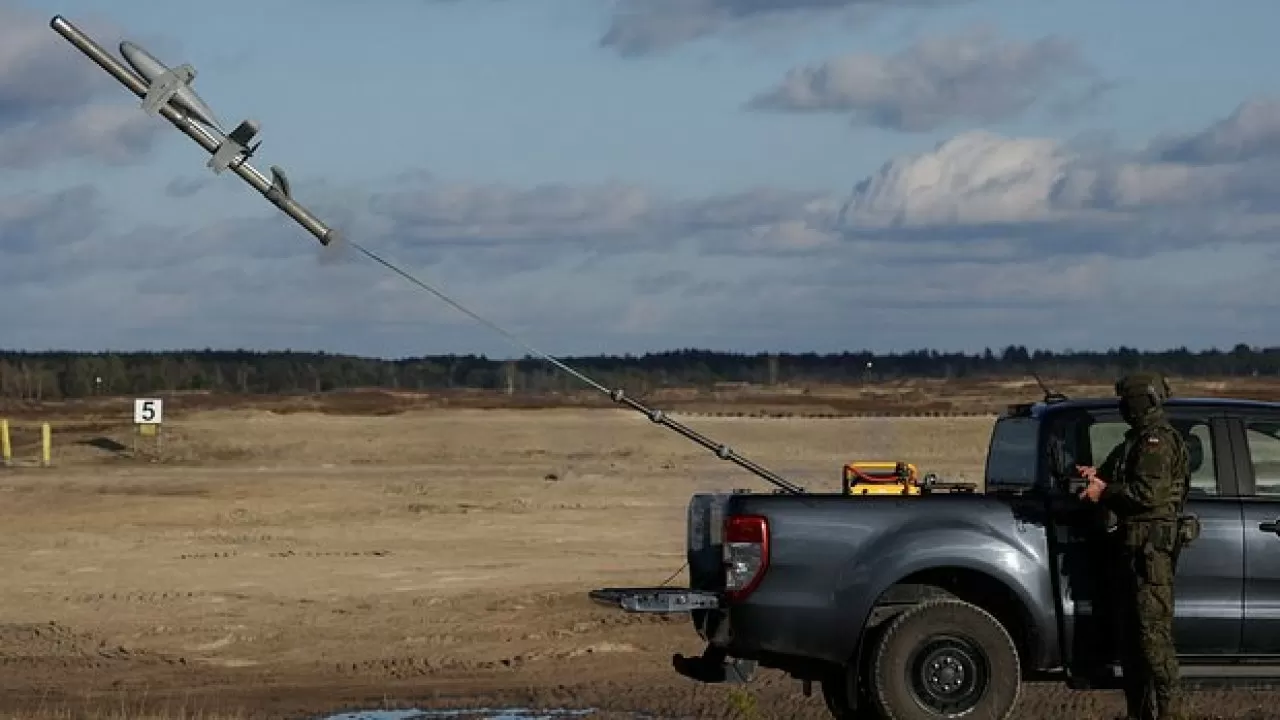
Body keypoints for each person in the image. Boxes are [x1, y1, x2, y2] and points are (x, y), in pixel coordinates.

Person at [1076, 372, 1189, 720]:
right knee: (1133, 647)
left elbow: (1148, 493)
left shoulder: (1156, 441)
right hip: (1133, 553)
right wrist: (1095, 475)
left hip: (1150, 556)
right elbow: (1117, 474)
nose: (1123, 408)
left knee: (1154, 644)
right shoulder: (1136, 442)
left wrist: (1103, 492)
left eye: (1127, 401)